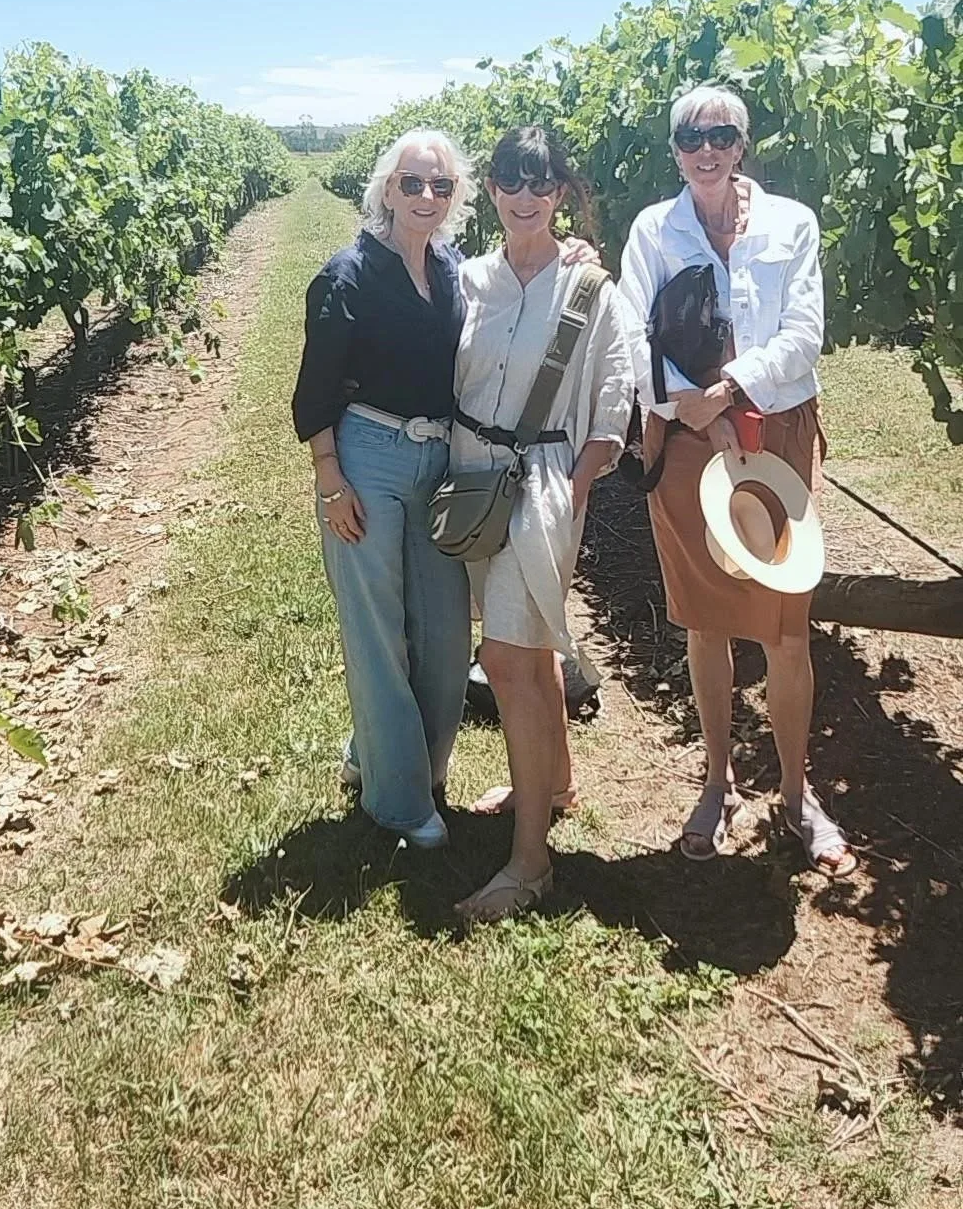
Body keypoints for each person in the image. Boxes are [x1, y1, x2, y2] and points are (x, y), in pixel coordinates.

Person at [618, 85, 856, 876]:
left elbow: (804, 336)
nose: (707, 148)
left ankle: (795, 795)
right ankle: (717, 782)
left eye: (722, 133)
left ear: (743, 142)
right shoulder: (655, 228)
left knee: (787, 625)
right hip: (685, 444)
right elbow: (631, 335)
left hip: (774, 435)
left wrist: (730, 390)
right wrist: (691, 409)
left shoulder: (793, 223)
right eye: (691, 135)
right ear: (675, 148)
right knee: (706, 618)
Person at [450, 126, 634, 920]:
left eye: (541, 184)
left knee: (509, 659)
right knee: (530, 651)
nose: (525, 198)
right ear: (490, 190)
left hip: (543, 486)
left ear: (562, 194)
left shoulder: (591, 289)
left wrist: (574, 490)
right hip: (470, 482)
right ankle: (554, 786)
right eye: (509, 182)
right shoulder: (468, 280)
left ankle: (530, 866)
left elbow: (615, 402)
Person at [292, 130, 473, 849]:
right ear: (386, 189)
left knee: (443, 633)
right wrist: (330, 480)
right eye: (413, 183)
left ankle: (392, 763)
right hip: (367, 456)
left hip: (440, 461)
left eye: (441, 186)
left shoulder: (454, 269)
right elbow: (313, 392)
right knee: (378, 632)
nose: (426, 197)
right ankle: (398, 804)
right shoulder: (348, 276)